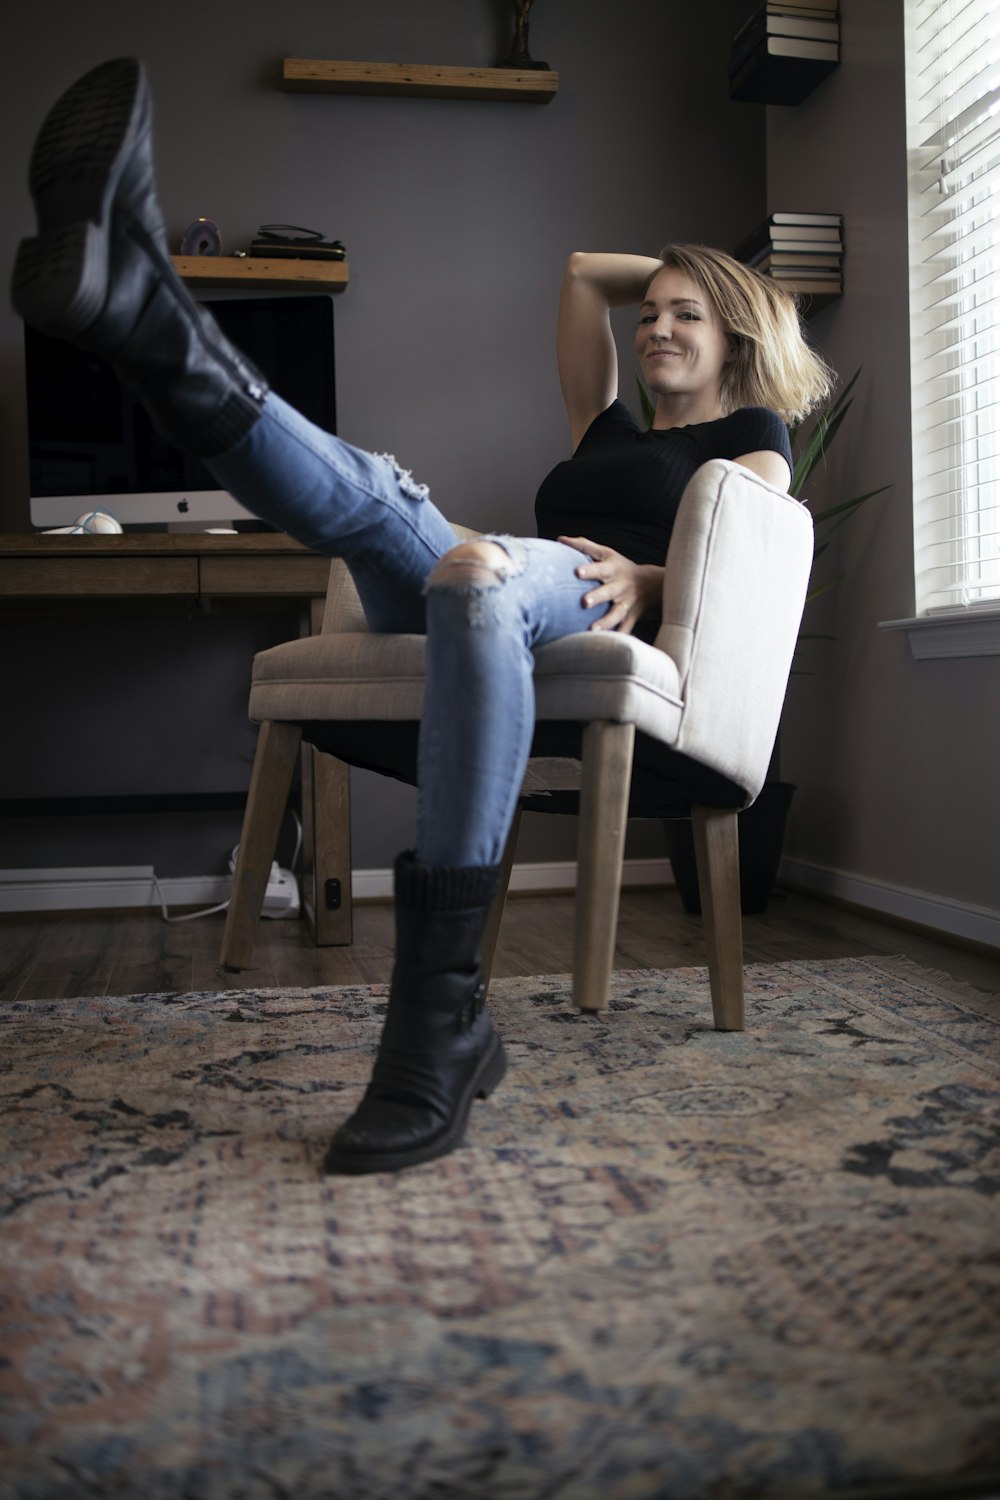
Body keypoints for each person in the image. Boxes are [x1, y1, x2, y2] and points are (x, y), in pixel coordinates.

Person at [11, 58, 833, 1177]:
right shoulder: (601, 422)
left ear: (734, 332)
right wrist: (681, 274)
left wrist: (650, 577)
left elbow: (751, 551)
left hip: (586, 594)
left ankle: (435, 1021)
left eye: (685, 315)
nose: (654, 328)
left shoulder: (752, 441)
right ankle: (157, 331)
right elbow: (587, 277)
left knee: (473, 568)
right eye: (652, 317)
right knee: (387, 504)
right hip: (513, 587)